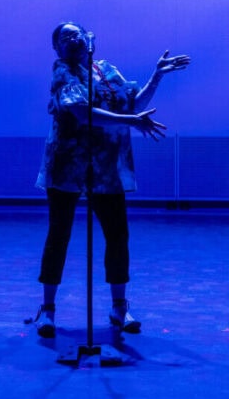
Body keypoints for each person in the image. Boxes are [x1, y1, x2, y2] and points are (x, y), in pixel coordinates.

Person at [33, 21, 190, 337]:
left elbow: (135, 104)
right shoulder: (63, 71)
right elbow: (80, 111)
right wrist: (130, 121)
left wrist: (156, 77)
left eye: (78, 34)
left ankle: (119, 306)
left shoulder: (106, 70)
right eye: (65, 37)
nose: (74, 39)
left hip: (106, 166)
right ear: (57, 48)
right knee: (59, 234)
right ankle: (47, 309)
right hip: (68, 164)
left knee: (117, 235)